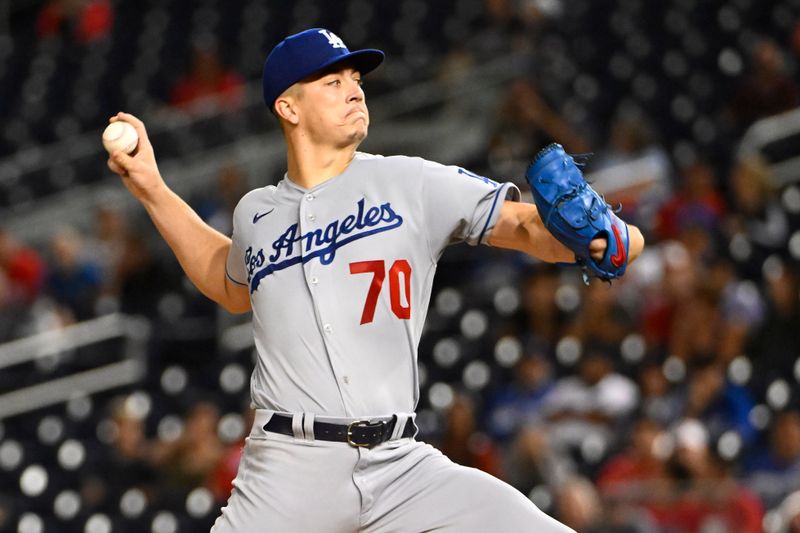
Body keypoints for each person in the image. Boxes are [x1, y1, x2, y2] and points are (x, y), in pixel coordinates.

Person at [106, 28, 644, 533]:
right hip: (289, 470)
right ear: (288, 107)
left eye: (357, 81)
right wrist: (152, 186)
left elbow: (527, 226)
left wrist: (604, 238)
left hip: (400, 465)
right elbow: (227, 282)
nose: (354, 92)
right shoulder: (256, 213)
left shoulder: (409, 180)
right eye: (333, 82)